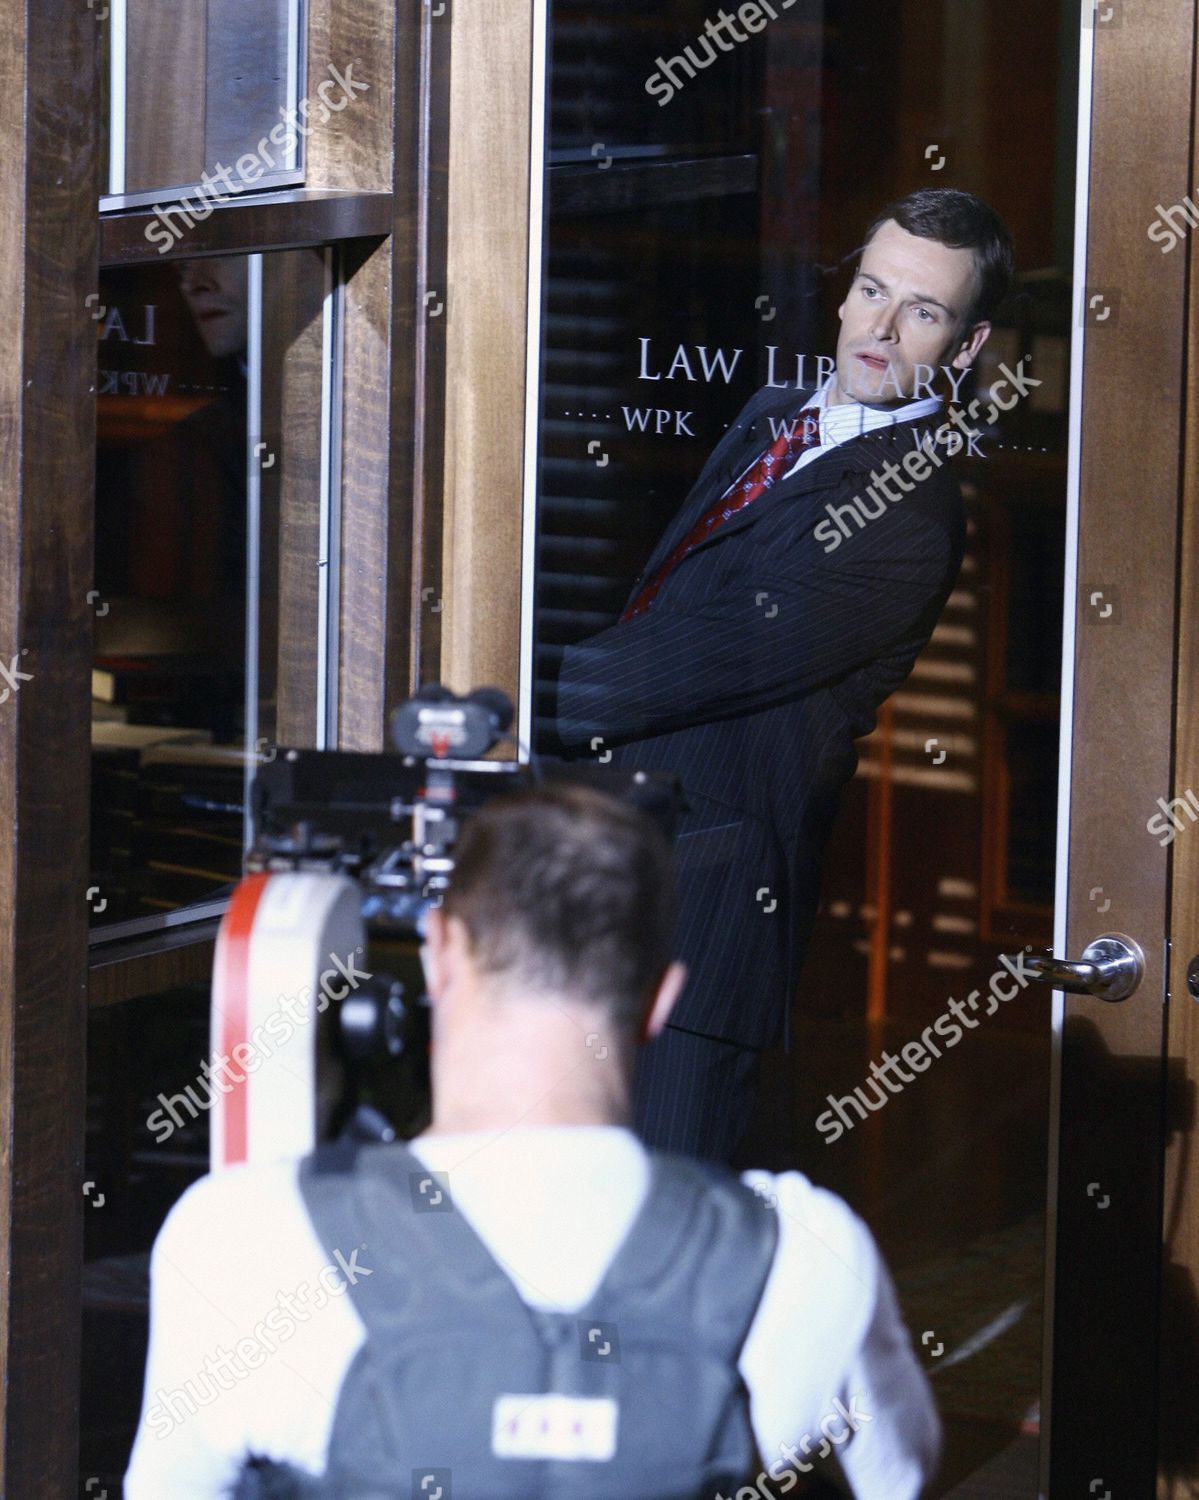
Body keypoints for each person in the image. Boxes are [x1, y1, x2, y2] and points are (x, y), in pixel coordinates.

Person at [125, 783, 939, 1498]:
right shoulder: (801, 1250)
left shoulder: (238, 1238)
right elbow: (900, 1476)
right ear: (661, 998)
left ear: (439, 955)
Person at [553, 187, 1016, 1163]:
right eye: (871, 291)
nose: (882, 328)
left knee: (658, 1271)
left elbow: (683, 661)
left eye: (922, 312)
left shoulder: (907, 521)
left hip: (703, 923)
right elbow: (663, 599)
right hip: (601, 878)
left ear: (964, 348)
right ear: (844, 295)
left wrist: (491, 681)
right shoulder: (773, 414)